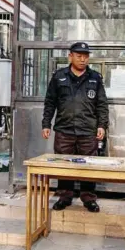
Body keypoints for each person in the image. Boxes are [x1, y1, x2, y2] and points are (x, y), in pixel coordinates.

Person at [41, 42, 109, 213]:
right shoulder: (59, 77)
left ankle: (88, 198)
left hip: (87, 130)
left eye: (85, 56)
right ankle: (65, 196)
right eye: (79, 56)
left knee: (88, 165)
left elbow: (102, 104)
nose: (83, 59)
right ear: (70, 56)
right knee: (64, 164)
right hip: (64, 130)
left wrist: (102, 125)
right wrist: (46, 124)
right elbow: (50, 102)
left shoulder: (95, 78)